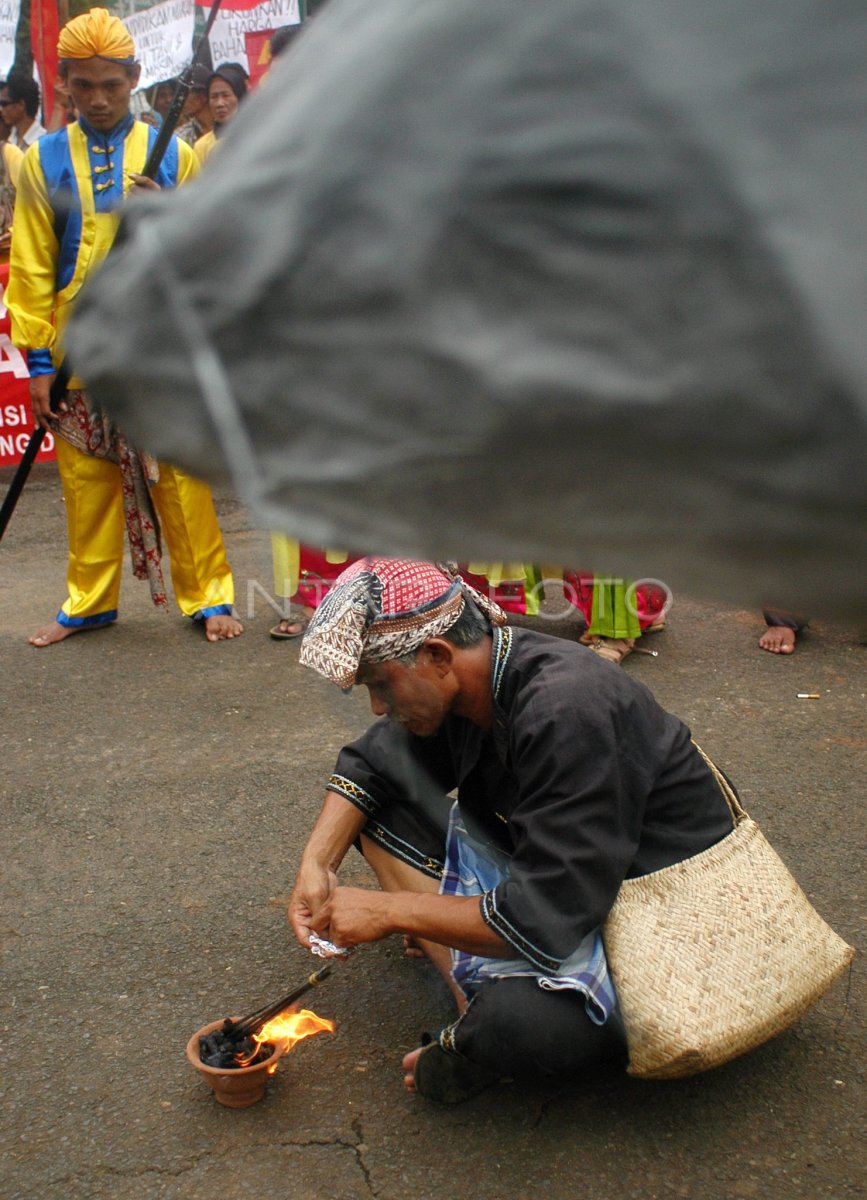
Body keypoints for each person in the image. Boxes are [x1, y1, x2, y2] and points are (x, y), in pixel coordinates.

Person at [288, 558, 735, 1103]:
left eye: (380, 685)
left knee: (524, 1025)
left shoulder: (565, 707)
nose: (379, 706)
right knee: (369, 809)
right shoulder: (475, 676)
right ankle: (469, 1000)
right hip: (564, 884)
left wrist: (387, 911)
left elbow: (546, 917)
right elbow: (370, 765)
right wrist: (317, 863)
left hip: (649, 915)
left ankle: (484, 1022)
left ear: (436, 656)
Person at [5, 7, 243, 647]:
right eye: (84, 85)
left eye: (112, 84)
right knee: (85, 482)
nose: (99, 98)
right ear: (64, 86)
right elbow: (29, 266)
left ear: (134, 77)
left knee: (179, 478)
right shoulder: (42, 160)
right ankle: (88, 601)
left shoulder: (176, 154)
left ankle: (208, 596)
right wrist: (39, 362)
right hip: (76, 346)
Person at [193, 63, 249, 165]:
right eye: (214, 97)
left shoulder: (259, 135)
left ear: (240, 97)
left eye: (226, 95)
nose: (219, 103)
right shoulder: (202, 147)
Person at [0, 72, 46, 149]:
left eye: (4, 104)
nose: (1, 109)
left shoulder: (42, 142)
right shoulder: (8, 141)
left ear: (21, 105)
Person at [175, 65, 213, 145]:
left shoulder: (229, 123)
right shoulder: (181, 136)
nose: (181, 99)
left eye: (186, 93)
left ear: (203, 95)